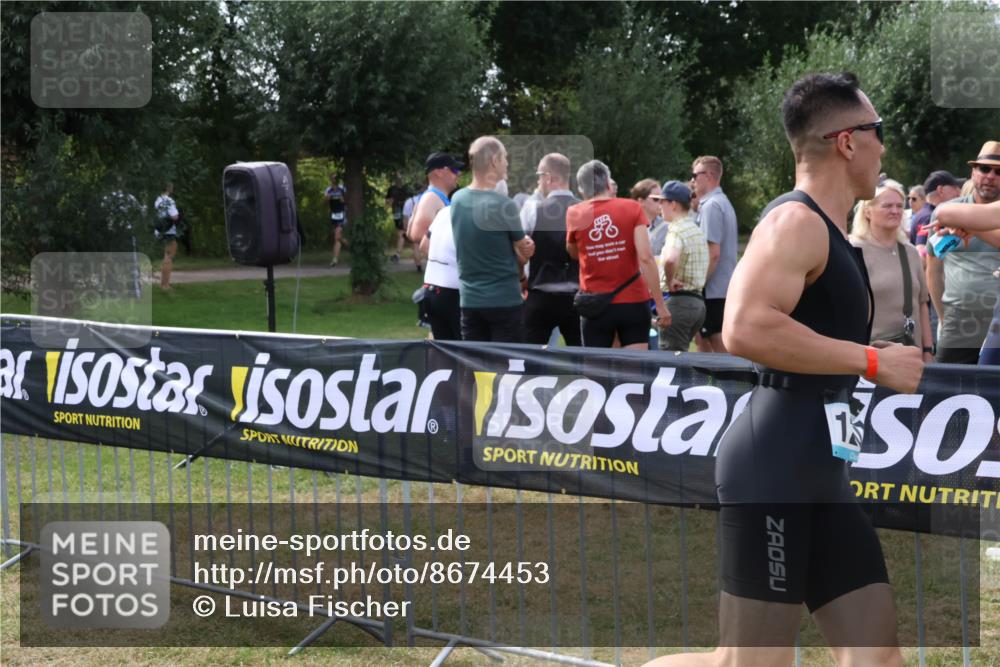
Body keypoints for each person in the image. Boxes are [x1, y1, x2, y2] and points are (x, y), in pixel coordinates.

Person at [646, 72, 923, 667]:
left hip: (821, 473)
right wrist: (872, 360)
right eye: (878, 132)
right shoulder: (794, 222)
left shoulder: (833, 232)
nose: (884, 146)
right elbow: (745, 326)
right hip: (773, 468)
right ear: (847, 141)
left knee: (878, 659)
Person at [565, 160, 669, 349]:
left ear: (582, 189)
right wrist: (660, 305)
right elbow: (645, 257)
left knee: (596, 371)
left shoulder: (575, 213)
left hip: (595, 303)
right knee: (635, 370)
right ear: (607, 183)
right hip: (633, 301)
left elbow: (573, 252)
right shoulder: (632, 208)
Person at [451, 136, 535, 342]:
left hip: (470, 301)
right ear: (494, 161)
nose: (507, 163)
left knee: (477, 369)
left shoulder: (457, 200)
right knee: (508, 369)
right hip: (504, 301)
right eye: (504, 158)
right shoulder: (503, 204)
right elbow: (523, 253)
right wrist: (527, 246)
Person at [926, 142, 1000, 364]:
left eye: (998, 172)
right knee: (948, 391)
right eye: (984, 169)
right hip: (960, 319)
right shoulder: (952, 209)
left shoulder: (954, 215)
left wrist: (969, 226)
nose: (990, 176)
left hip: (997, 321)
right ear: (973, 172)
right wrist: (942, 315)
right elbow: (933, 269)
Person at [850, 179, 934, 362]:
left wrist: (928, 350)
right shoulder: (852, 250)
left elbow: (922, 305)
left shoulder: (910, 252)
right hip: (869, 357)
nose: (895, 211)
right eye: (887, 206)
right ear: (867, 211)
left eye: (899, 206)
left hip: (911, 355)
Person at [520, 153, 582, 346]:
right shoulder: (586, 210)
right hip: (578, 296)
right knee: (586, 360)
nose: (539, 180)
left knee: (530, 358)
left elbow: (518, 249)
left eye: (539, 175)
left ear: (548, 177)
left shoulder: (532, 209)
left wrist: (521, 277)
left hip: (540, 294)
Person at [690, 156, 738, 353]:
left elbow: (713, 253)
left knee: (717, 342)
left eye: (695, 175)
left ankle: (735, 383)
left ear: (709, 175)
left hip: (713, 289)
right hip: (719, 287)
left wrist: (698, 285)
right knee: (704, 340)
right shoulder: (720, 202)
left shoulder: (711, 206)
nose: (692, 180)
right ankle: (712, 383)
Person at [655, 181, 708, 351]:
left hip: (680, 303)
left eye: (662, 201)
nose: (659, 205)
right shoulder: (696, 229)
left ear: (674, 204)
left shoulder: (676, 229)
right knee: (681, 356)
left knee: (670, 363)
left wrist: (670, 281)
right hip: (698, 305)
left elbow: (670, 259)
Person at [407, 152, 463, 247]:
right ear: (439, 172)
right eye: (454, 170)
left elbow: (410, 232)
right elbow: (416, 234)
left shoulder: (434, 196)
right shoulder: (432, 198)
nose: (459, 174)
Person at [911, 170, 961, 258]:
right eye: (955, 187)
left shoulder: (923, 213)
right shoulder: (928, 217)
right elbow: (921, 250)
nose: (958, 192)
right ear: (940, 190)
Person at [386, 171, 418, 268]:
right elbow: (387, 201)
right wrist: (389, 202)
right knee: (402, 233)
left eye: (401, 177)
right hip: (396, 212)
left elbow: (414, 201)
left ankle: (399, 254)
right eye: (397, 177)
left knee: (402, 233)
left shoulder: (407, 189)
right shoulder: (392, 189)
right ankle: (413, 254)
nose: (399, 179)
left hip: (407, 213)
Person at [154, 182, 181, 291]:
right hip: (168, 231)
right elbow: (174, 216)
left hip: (158, 230)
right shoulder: (168, 200)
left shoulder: (157, 199)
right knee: (168, 256)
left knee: (166, 255)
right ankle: (165, 285)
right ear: (168, 188)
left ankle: (163, 283)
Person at [631, 178, 667, 257]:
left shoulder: (668, 226)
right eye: (656, 198)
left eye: (662, 198)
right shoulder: (629, 227)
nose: (661, 202)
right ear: (641, 201)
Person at [324, 173, 348, 267]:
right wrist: (327, 198)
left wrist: (343, 199)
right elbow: (324, 203)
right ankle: (336, 259)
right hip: (334, 215)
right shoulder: (328, 190)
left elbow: (347, 200)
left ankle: (334, 259)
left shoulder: (342, 189)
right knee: (338, 238)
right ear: (331, 180)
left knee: (337, 236)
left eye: (336, 178)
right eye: (333, 178)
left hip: (343, 214)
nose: (334, 180)